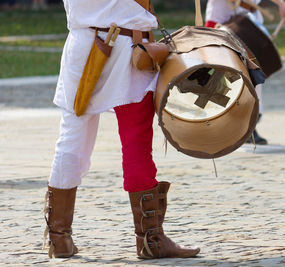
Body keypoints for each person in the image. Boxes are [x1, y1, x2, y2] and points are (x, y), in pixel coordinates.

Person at [43, 0, 200, 259]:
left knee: (73, 137)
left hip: (85, 43)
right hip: (127, 48)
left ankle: (58, 239)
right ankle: (150, 240)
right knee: (135, 140)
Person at [205, 0, 285, 145]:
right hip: (223, 15)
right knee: (224, 73)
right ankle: (230, 124)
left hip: (248, 20)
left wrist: (281, 4)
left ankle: (249, 124)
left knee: (254, 72)